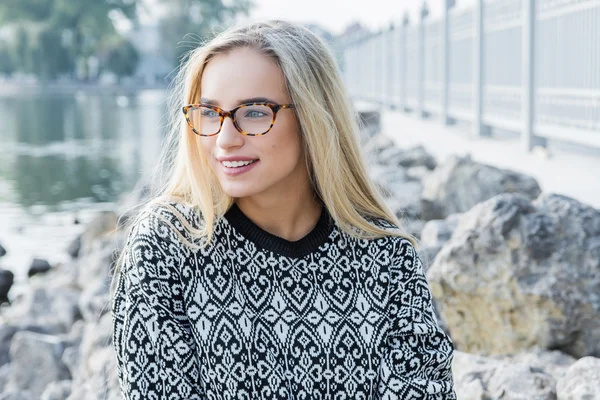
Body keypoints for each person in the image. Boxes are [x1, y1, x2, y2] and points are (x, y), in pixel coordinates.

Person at [110, 19, 456, 399]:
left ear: (313, 117)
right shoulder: (167, 245)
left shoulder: (386, 257)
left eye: (254, 112)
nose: (225, 139)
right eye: (209, 113)